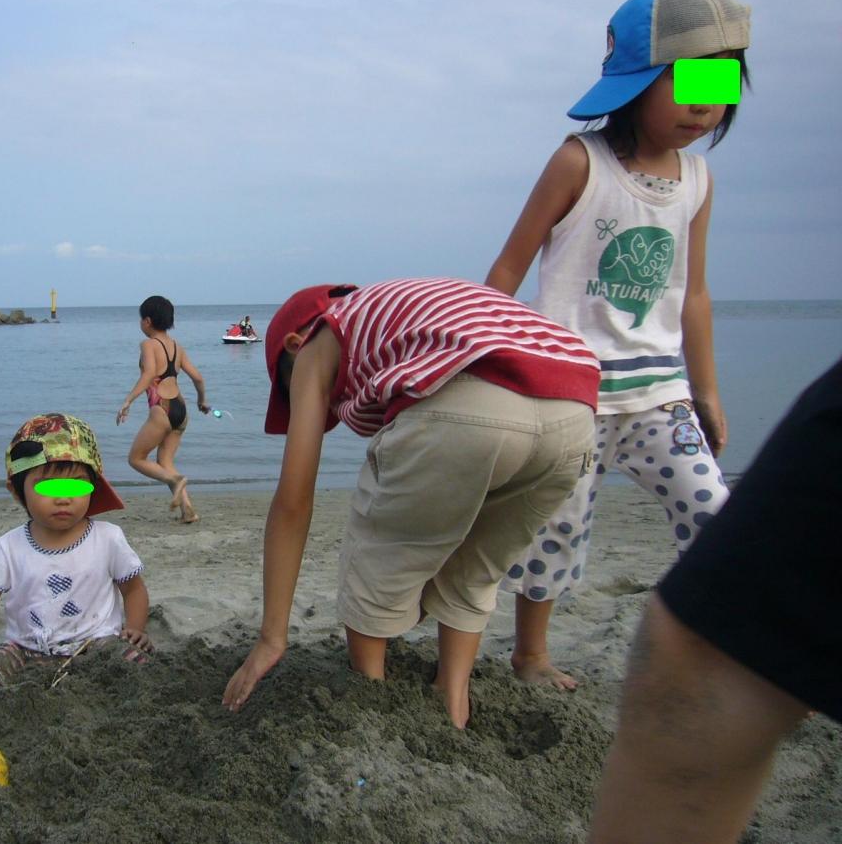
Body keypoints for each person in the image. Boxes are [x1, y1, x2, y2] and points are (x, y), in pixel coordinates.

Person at [485, 0, 751, 689]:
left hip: (661, 394)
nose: (704, 106)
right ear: (637, 81)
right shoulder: (580, 162)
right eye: (687, 82)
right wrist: (486, 361)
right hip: (574, 395)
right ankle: (530, 655)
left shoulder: (698, 179)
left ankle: (733, 648)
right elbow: (510, 267)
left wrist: (707, 391)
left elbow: (693, 293)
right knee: (559, 524)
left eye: (721, 84)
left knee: (714, 510)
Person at [221, 278, 600, 728]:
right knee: (474, 570)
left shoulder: (319, 338)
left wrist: (271, 638)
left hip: (469, 400)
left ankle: (371, 702)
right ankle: (453, 702)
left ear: (294, 343)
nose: (325, 407)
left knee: (377, 560)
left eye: (290, 389)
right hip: (574, 409)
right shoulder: (409, 312)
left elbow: (294, 500)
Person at [587, 355, 841, 843]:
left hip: (659, 393)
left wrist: (705, 391)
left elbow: (693, 304)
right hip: (592, 390)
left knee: (710, 644)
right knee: (707, 649)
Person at [0, 413, 153, 692]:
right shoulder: (9, 546)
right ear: (17, 492)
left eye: (76, 485)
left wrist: (135, 628)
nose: (63, 498)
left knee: (135, 663)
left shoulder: (108, 538)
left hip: (96, 644)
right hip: (24, 650)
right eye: (47, 487)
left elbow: (133, 589)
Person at [116, 295, 210, 524]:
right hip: (181, 409)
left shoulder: (148, 344)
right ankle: (188, 512)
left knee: (136, 459)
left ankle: (175, 480)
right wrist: (202, 402)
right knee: (165, 462)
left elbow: (149, 374)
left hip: (162, 408)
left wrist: (128, 400)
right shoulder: (177, 346)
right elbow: (198, 378)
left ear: (147, 321)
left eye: (141, 319)